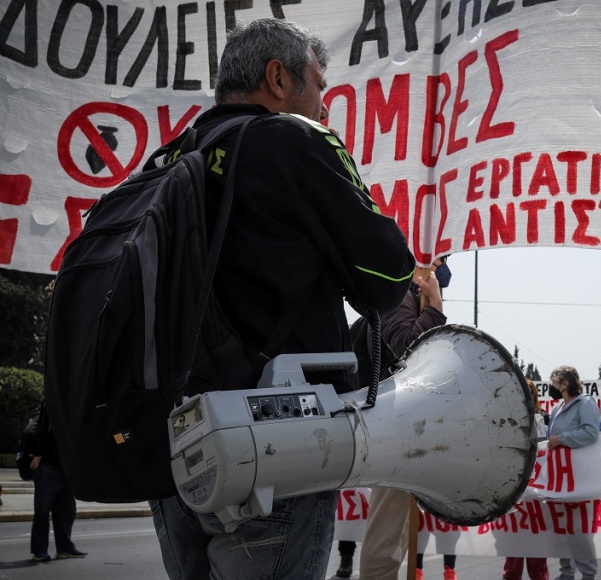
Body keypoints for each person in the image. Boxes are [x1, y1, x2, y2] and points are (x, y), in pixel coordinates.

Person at [146, 19, 415, 580]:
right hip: (272, 442)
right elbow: (387, 275)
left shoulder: (171, 158)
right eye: (318, 85)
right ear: (277, 78)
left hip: (173, 445)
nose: (324, 106)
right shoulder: (293, 139)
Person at [356, 257, 450, 580]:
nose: (440, 263)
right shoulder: (395, 295)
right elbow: (411, 350)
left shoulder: (406, 295)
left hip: (402, 428)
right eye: (436, 256)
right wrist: (434, 309)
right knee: (385, 545)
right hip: (395, 429)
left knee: (395, 539)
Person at [547, 366, 600, 580]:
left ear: (564, 384)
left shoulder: (585, 403)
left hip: (580, 479)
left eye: (553, 383)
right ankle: (566, 573)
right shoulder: (557, 408)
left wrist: (560, 439)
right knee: (563, 530)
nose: (551, 387)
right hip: (560, 479)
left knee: (579, 532)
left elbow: (590, 433)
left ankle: (588, 574)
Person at [21, 402, 87, 562]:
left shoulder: (65, 406)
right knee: (43, 510)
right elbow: (30, 431)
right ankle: (40, 551)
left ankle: (64, 548)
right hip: (48, 468)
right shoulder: (50, 404)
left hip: (63, 468)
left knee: (66, 509)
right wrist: (37, 452)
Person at [501, 380, 549, 580]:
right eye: (524, 391)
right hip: (516, 489)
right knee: (513, 551)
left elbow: (546, 449)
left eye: (531, 391)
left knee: (537, 550)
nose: (527, 395)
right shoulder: (507, 417)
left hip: (536, 492)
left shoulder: (543, 416)